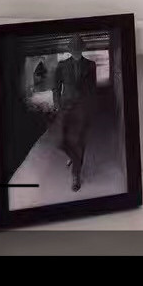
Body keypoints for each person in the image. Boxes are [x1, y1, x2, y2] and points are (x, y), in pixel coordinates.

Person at [53, 36, 97, 191]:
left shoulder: (90, 65)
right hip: (66, 107)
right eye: (74, 49)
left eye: (78, 49)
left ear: (82, 50)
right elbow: (56, 87)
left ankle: (76, 175)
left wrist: (91, 107)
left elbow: (93, 88)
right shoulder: (62, 65)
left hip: (83, 108)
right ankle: (73, 157)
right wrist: (57, 105)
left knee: (79, 142)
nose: (76, 52)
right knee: (60, 141)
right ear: (70, 51)